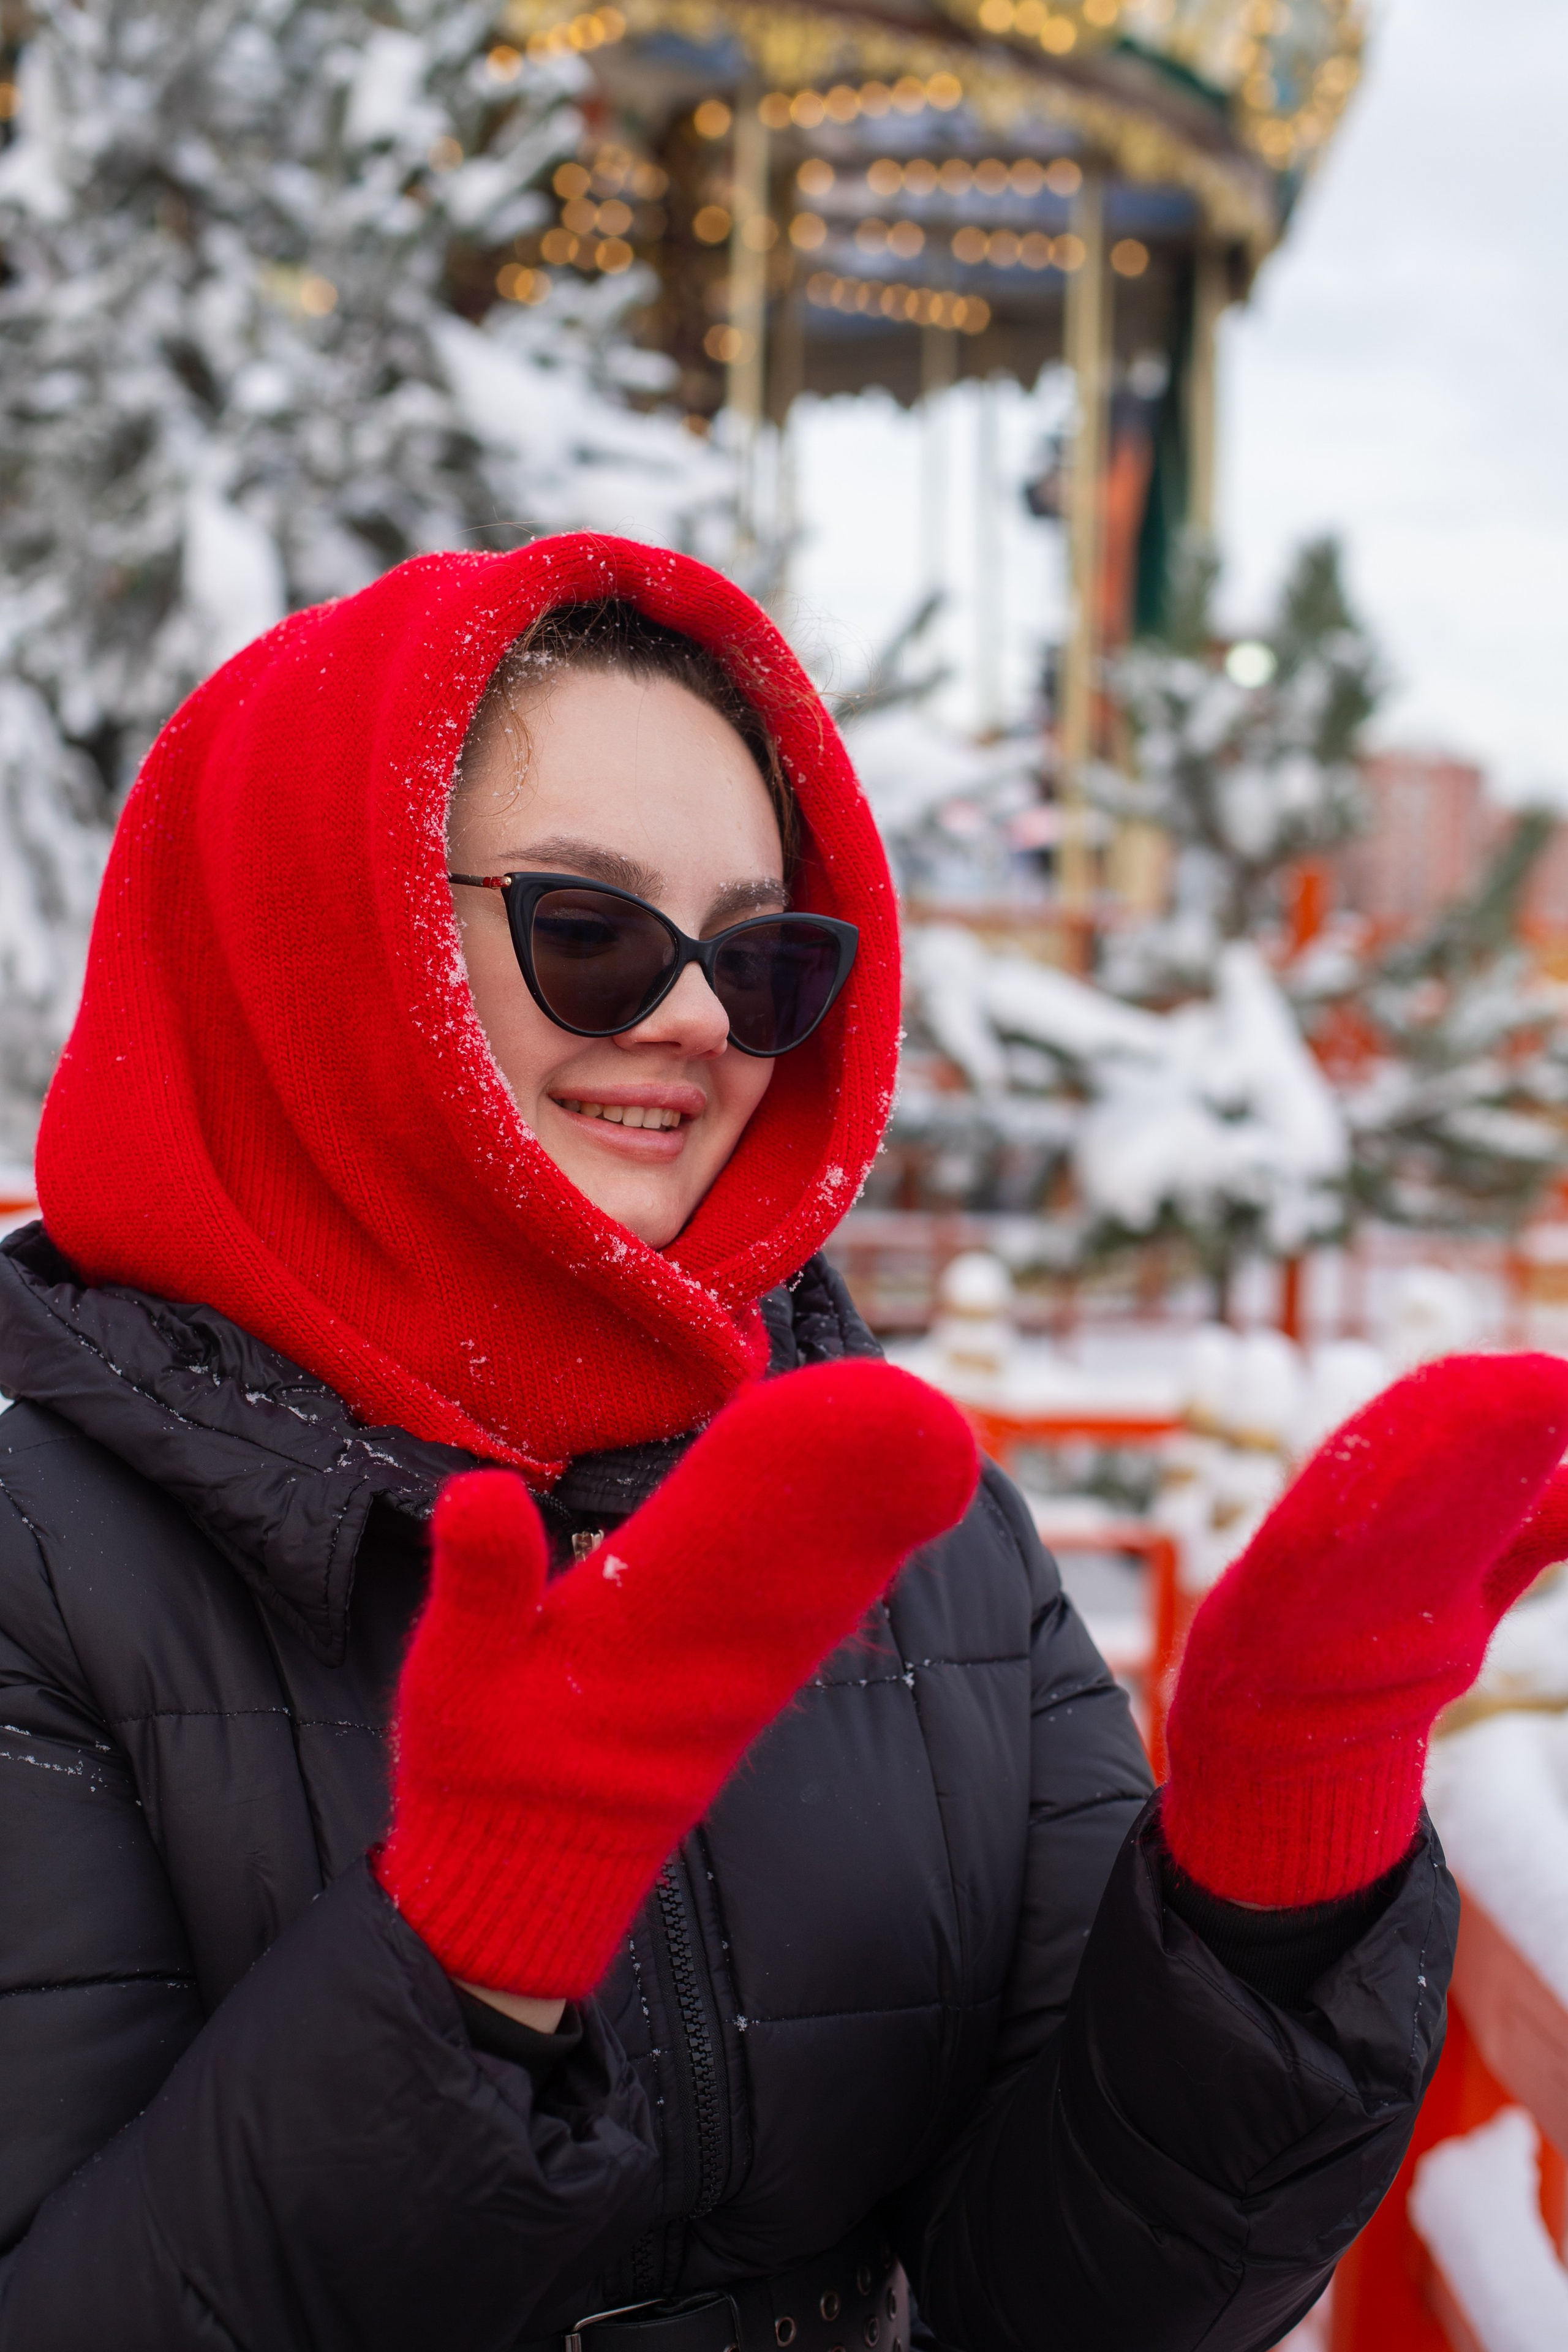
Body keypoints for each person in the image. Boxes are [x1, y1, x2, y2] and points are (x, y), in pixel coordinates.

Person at [0, 533, 1563, 2352]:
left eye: (760, 958)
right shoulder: (41, 1547)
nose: (690, 1020)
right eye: (586, 932)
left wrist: (1280, 1867)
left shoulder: (902, 1516)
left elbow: (1066, 2301)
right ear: (309, 934)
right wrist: (463, 1982)